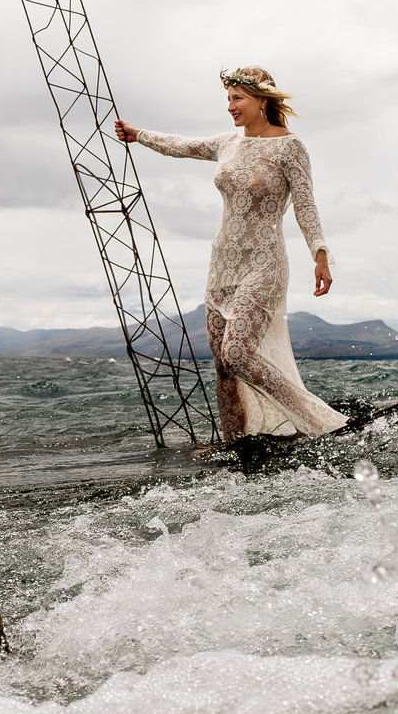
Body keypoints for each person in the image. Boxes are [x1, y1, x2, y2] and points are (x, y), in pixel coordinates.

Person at [114, 69, 349, 442]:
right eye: (228, 99)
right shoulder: (228, 143)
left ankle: (324, 425)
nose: (230, 107)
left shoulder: (289, 147)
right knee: (223, 365)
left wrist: (319, 254)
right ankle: (235, 444)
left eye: (237, 98)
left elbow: (305, 205)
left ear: (262, 100)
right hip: (222, 265)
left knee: (238, 353)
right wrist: (138, 135)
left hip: (264, 265)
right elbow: (182, 145)